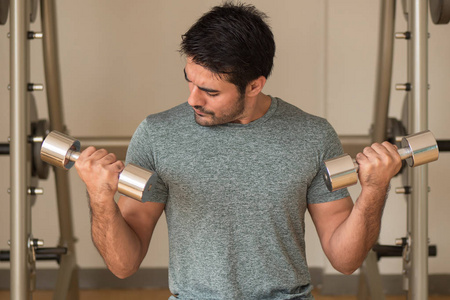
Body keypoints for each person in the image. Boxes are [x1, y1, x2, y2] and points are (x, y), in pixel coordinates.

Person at [74, 2, 402, 299]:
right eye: (189, 80)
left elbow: (345, 261)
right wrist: (100, 199)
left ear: (255, 85)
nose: (192, 99)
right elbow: (123, 265)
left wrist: (374, 189)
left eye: (210, 91)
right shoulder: (158, 135)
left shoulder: (312, 135)